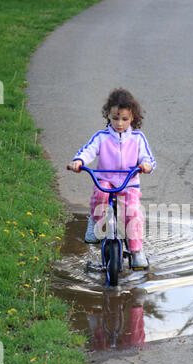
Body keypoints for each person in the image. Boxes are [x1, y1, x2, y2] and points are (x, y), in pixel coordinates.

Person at [67, 88, 156, 268]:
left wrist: (146, 165)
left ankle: (137, 250)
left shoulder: (138, 138)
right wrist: (78, 161)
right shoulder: (102, 137)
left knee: (132, 212)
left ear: (132, 118)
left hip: (129, 182)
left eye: (124, 119)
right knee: (100, 195)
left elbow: (148, 158)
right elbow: (88, 150)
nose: (119, 123)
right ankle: (94, 222)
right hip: (105, 179)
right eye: (115, 118)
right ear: (108, 115)